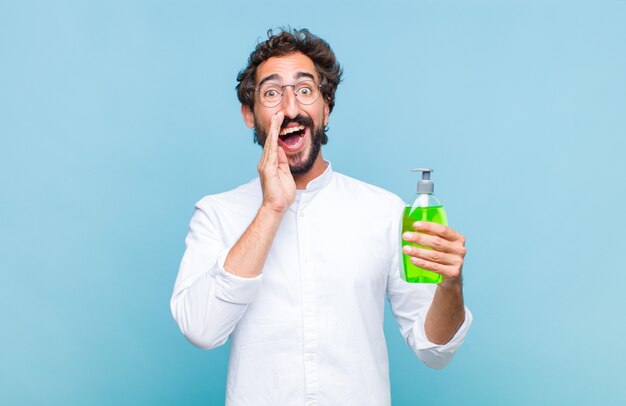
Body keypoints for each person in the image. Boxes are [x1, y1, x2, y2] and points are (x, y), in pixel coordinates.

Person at [171, 28, 472, 406]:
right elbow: (201, 330)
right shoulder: (216, 214)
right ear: (250, 115)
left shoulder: (385, 212)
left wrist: (450, 285)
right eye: (271, 93)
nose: (290, 107)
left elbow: (435, 350)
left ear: (325, 108)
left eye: (305, 90)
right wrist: (271, 208)